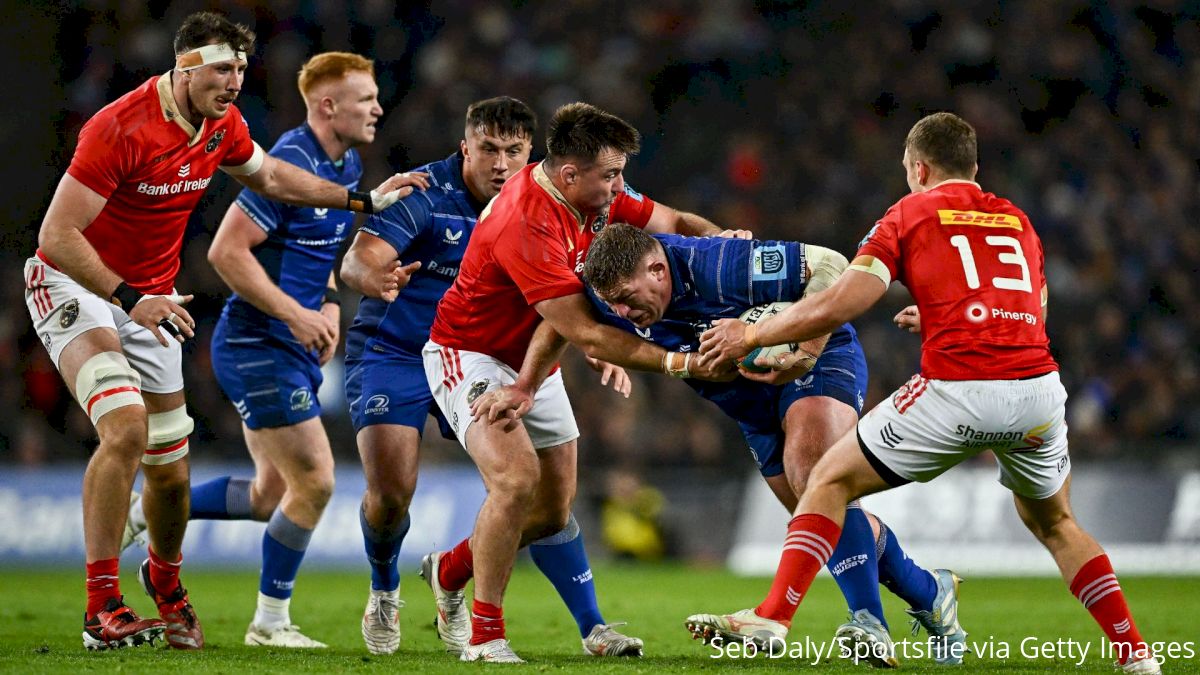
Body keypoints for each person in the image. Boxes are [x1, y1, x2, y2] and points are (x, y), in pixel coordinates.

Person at [694, 112, 1161, 674]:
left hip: (959, 390)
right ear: (975, 167)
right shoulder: (1016, 218)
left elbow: (845, 299)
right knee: (1058, 523)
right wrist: (946, 313)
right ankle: (1136, 655)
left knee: (827, 480)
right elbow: (1032, 310)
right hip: (1037, 393)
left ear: (918, 168)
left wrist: (757, 331)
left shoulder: (910, 212)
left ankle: (774, 615)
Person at [25, 11, 415, 652]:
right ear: (184, 66)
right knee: (125, 427)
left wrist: (361, 202)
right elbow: (56, 236)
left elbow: (269, 178)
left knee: (171, 476)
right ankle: (103, 607)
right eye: (222, 67)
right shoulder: (119, 126)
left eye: (240, 68)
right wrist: (129, 296)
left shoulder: (223, 125)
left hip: (153, 299)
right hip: (79, 284)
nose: (235, 80)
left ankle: (168, 587)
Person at [122, 51, 427, 648]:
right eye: (366, 99)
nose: (378, 108)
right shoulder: (289, 161)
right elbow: (225, 254)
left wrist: (331, 310)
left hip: (287, 345)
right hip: (256, 341)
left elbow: (327, 257)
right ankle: (270, 622)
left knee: (269, 496)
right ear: (327, 106)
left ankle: (146, 513)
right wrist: (294, 314)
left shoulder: (347, 164)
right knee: (314, 481)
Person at [421, 101, 741, 663]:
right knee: (516, 481)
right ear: (570, 174)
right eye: (610, 174)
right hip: (471, 354)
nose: (620, 185)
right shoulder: (526, 219)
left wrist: (724, 245)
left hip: (535, 364)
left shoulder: (597, 195)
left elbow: (673, 222)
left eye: (619, 173)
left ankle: (450, 572)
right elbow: (585, 331)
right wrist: (679, 363)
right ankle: (485, 634)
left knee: (550, 511)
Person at [339, 96, 640, 658]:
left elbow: (563, 290)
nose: (500, 164)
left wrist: (588, 338)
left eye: (513, 152)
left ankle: (464, 577)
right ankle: (385, 590)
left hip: (502, 352)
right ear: (465, 147)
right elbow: (358, 259)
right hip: (399, 350)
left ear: (532, 155)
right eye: (488, 150)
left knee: (547, 503)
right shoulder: (423, 193)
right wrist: (373, 277)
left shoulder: (553, 198)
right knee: (391, 494)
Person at [582, 224, 963, 667]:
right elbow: (568, 322)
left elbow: (833, 266)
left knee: (814, 475)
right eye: (614, 304)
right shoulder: (605, 294)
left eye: (629, 297)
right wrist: (600, 347)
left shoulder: (720, 264)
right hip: (748, 403)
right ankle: (930, 591)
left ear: (657, 268)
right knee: (820, 512)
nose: (623, 312)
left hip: (816, 358)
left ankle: (860, 621)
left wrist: (804, 349)